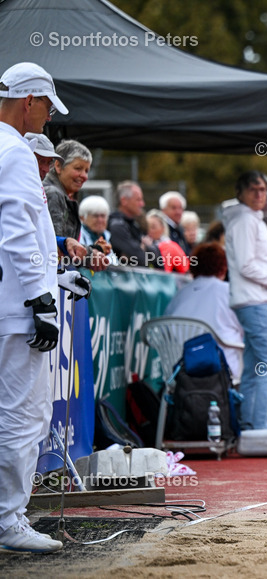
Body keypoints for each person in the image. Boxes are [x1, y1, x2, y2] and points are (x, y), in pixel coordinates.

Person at [0, 61, 68, 552]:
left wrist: (55, 276)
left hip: (10, 298)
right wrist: (40, 297)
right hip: (16, 307)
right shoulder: (15, 151)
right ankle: (8, 521)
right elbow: (19, 229)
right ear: (28, 101)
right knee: (24, 414)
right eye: (45, 106)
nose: (47, 116)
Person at [223, 171, 267, 431]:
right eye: (254, 189)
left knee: (253, 367)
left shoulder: (248, 218)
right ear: (240, 193)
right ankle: (261, 428)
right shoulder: (244, 219)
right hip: (253, 300)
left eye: (263, 189)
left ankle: (250, 427)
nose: (259, 194)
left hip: (253, 299)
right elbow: (247, 265)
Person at [164, 243, 245, 381]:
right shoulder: (229, 292)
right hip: (224, 368)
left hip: (180, 368)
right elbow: (248, 327)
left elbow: (165, 329)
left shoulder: (180, 294)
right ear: (224, 268)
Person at [109, 180, 160, 268]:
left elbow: (158, 258)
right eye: (138, 199)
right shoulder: (117, 226)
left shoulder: (134, 225)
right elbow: (141, 259)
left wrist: (146, 247)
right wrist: (143, 248)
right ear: (124, 200)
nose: (142, 204)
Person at [159, 191, 191, 255]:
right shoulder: (161, 228)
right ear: (163, 210)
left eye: (180, 208)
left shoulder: (180, 229)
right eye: (173, 208)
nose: (178, 212)